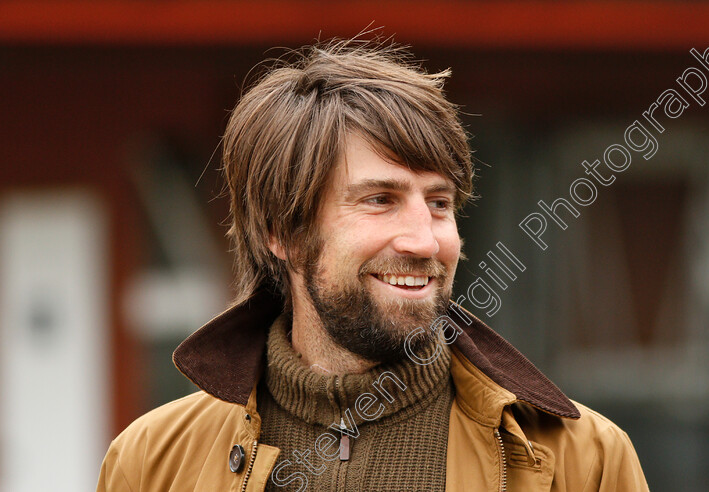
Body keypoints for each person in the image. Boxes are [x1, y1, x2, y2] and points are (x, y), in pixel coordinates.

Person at [97, 39, 649, 491]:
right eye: (379, 199)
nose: (425, 242)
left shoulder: (585, 463)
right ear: (282, 232)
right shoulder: (152, 463)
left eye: (439, 203)